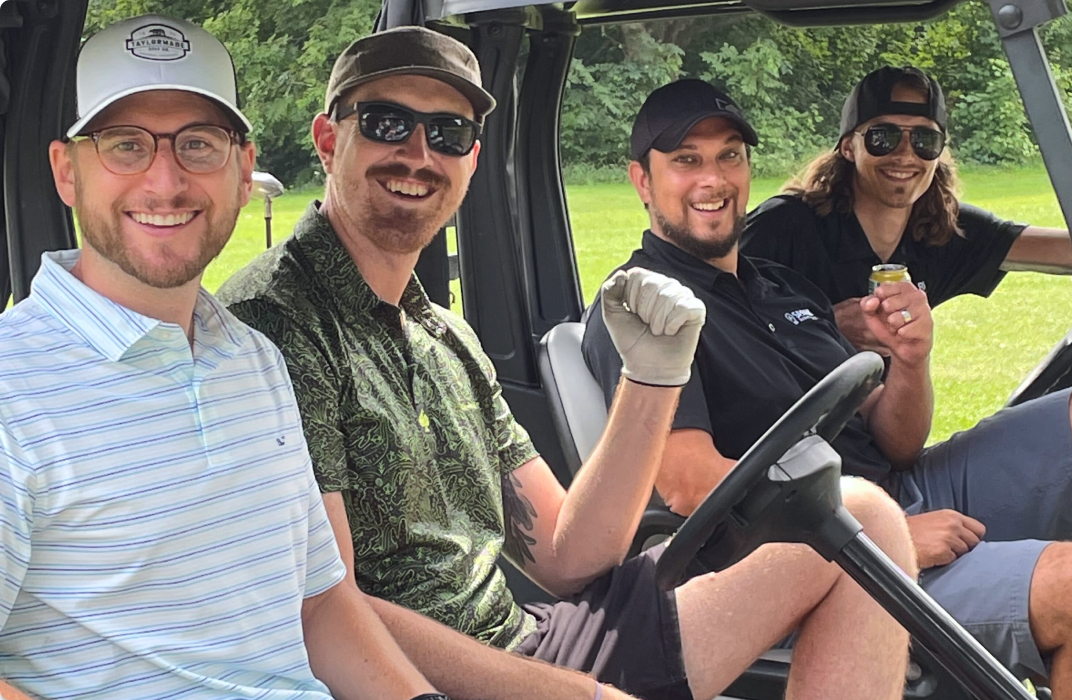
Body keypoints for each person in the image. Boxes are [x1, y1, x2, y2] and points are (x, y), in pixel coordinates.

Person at [218, 28, 918, 700]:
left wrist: (652, 377)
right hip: (417, 680)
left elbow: (565, 555)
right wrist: (581, 695)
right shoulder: (277, 321)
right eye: (386, 122)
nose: (418, 153)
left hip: (525, 644)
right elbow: (328, 610)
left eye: (448, 134)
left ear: (471, 159)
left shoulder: (444, 340)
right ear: (328, 138)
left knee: (862, 519)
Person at [3, 14, 640, 700]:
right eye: (125, 145)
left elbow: (319, 605)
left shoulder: (252, 360)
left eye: (199, 144)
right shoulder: (16, 389)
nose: (166, 182)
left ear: (244, 170)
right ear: (67, 172)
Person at [582, 78, 1072, 698]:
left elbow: (897, 441)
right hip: (817, 559)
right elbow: (692, 484)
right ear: (643, 180)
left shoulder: (778, 285)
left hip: (887, 494)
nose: (713, 179)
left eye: (729, 155)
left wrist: (911, 363)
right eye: (686, 160)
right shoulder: (643, 307)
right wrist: (878, 537)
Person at [740, 66, 1072, 354]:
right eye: (883, 137)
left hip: (886, 425)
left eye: (924, 140)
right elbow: (712, 318)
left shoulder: (943, 230)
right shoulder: (782, 227)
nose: (905, 154)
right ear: (848, 147)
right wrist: (824, 323)